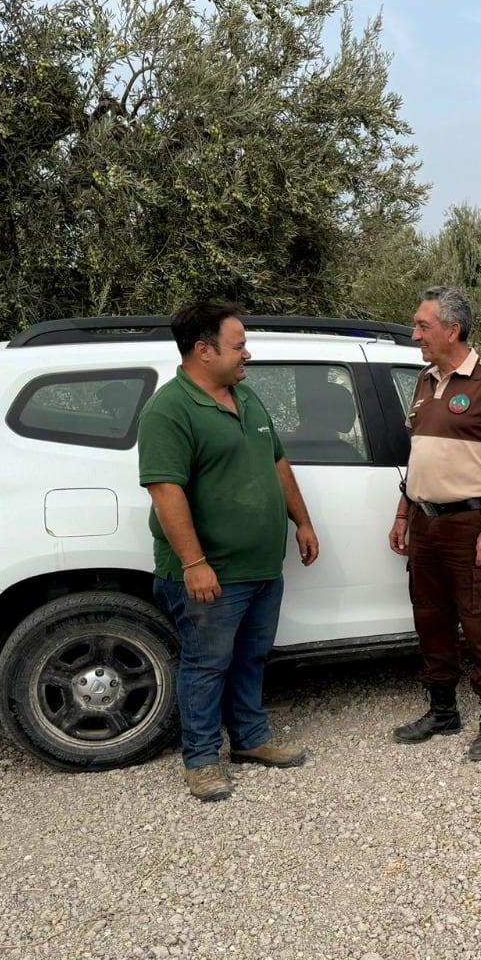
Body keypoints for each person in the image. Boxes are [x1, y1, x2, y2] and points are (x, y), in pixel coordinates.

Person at [137, 300, 319, 801]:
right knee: (206, 663)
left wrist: (301, 521)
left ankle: (251, 739)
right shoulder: (169, 410)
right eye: (238, 346)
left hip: (261, 566)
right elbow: (165, 490)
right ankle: (200, 759)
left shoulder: (248, 397)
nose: (248, 355)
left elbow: (277, 462)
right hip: (210, 572)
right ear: (203, 351)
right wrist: (194, 564)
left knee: (250, 657)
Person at [388, 286, 481, 761]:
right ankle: (443, 711)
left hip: (470, 524)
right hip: (426, 525)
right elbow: (417, 456)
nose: (415, 335)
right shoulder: (425, 380)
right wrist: (403, 513)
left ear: (452, 329)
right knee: (431, 620)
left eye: (423, 326)